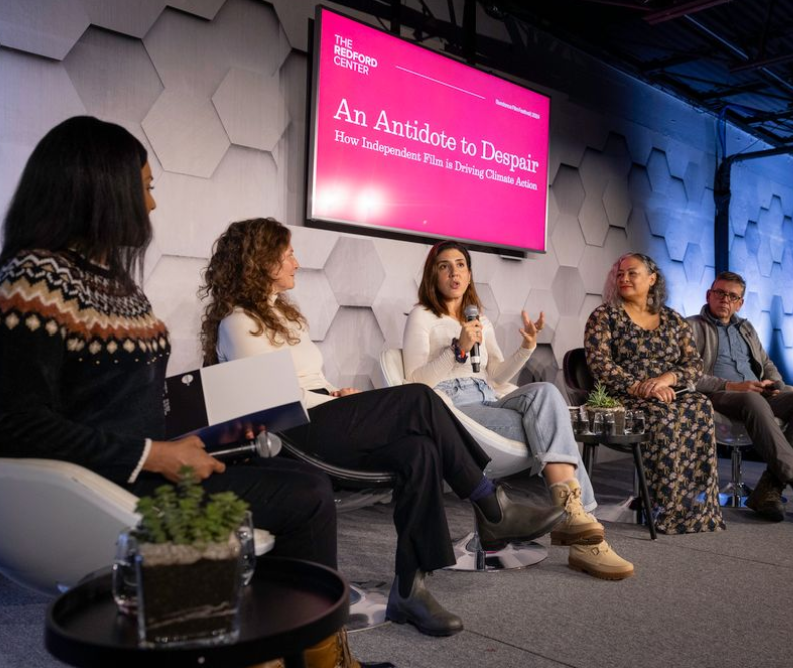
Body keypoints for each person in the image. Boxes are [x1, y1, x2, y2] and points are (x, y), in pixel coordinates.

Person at [0, 117, 377, 668]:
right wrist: (154, 454)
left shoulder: (109, 278)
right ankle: (312, 661)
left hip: (145, 469)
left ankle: (283, 654)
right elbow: (10, 420)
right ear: (103, 187)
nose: (152, 205)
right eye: (145, 186)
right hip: (110, 487)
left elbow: (116, 398)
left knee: (304, 479)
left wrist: (204, 430)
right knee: (306, 500)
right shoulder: (33, 279)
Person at [200, 219, 564, 636]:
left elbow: (306, 384)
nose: (296, 263)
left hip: (319, 419)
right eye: (287, 256)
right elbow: (271, 405)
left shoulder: (284, 315)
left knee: (419, 451)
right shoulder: (237, 322)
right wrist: (336, 405)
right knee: (419, 398)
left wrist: (338, 395)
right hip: (290, 438)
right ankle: (491, 503)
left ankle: (411, 588)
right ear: (260, 262)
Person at [401, 241, 634, 580]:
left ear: (469, 273)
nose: (454, 272)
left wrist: (526, 348)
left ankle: (577, 522)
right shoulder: (423, 316)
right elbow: (413, 382)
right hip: (452, 408)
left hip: (488, 398)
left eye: (461, 265)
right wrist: (457, 349)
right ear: (432, 274)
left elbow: (495, 375)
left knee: (545, 393)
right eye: (444, 266)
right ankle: (584, 529)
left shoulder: (479, 319)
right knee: (550, 425)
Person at [688, 272, 793, 526]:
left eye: (733, 296)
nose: (725, 299)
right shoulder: (690, 327)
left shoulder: (746, 328)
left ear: (740, 303)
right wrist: (733, 385)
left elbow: (765, 363)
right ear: (709, 295)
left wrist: (778, 387)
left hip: (758, 392)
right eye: (719, 293)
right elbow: (686, 374)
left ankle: (769, 489)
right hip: (720, 395)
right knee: (755, 401)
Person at [584, 253, 725, 534]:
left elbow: (693, 364)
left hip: (667, 390)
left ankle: (699, 508)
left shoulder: (672, 319)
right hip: (623, 395)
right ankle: (663, 509)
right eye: (620, 273)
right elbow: (600, 363)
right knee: (661, 415)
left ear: (652, 278)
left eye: (631, 273)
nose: (623, 278)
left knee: (700, 406)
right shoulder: (605, 315)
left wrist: (666, 379)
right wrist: (640, 387)